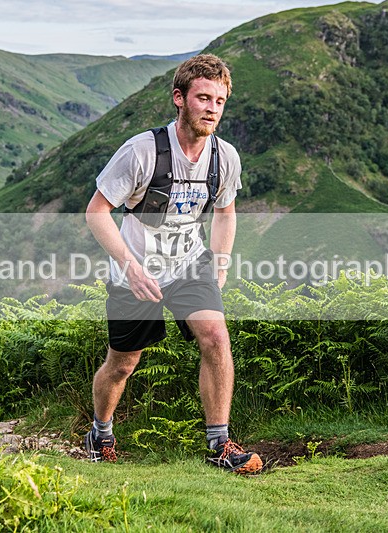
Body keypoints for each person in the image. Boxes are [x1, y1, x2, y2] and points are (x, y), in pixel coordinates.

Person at [83, 54, 262, 474]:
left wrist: (219, 263)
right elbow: (96, 211)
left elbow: (225, 212)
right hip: (135, 271)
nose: (212, 108)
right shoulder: (141, 152)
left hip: (189, 264)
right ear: (179, 99)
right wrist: (129, 266)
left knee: (217, 338)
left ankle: (219, 443)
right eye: (203, 98)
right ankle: (101, 433)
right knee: (123, 363)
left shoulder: (225, 157)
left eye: (220, 100)